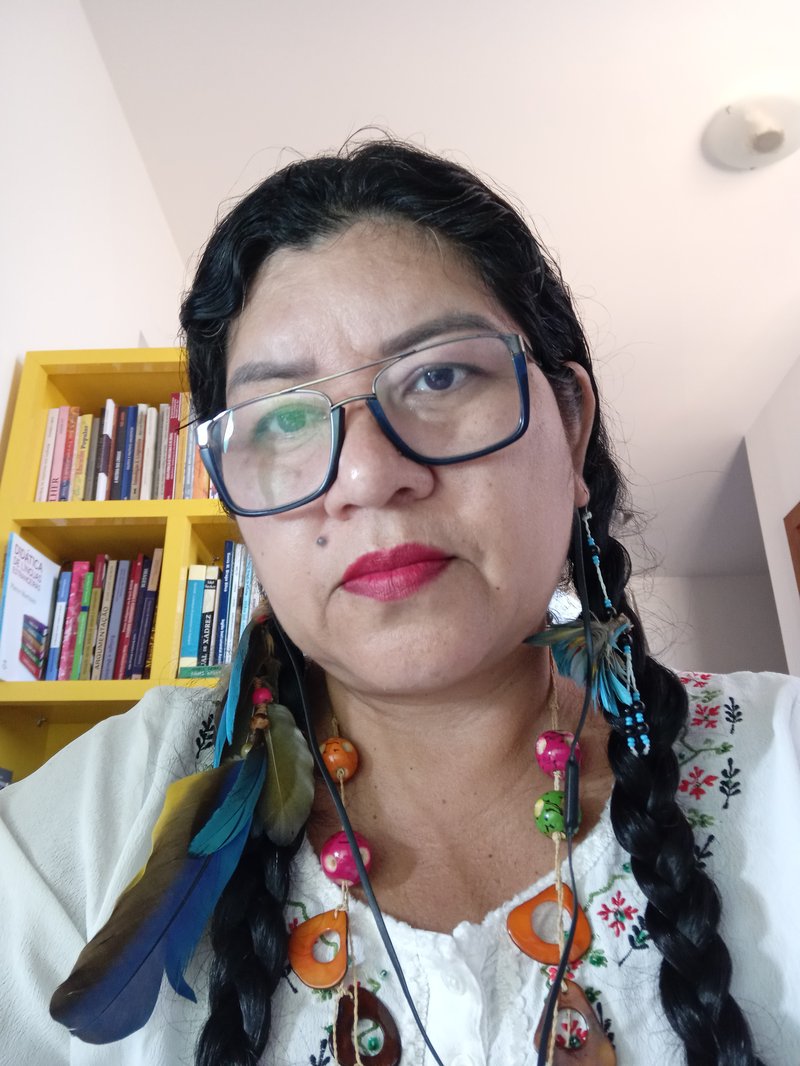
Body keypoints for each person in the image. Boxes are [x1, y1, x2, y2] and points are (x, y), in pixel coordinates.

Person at [1, 140, 798, 1066]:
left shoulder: (777, 770)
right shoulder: (86, 836)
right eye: (283, 418)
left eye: (439, 376)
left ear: (572, 427)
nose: (368, 475)